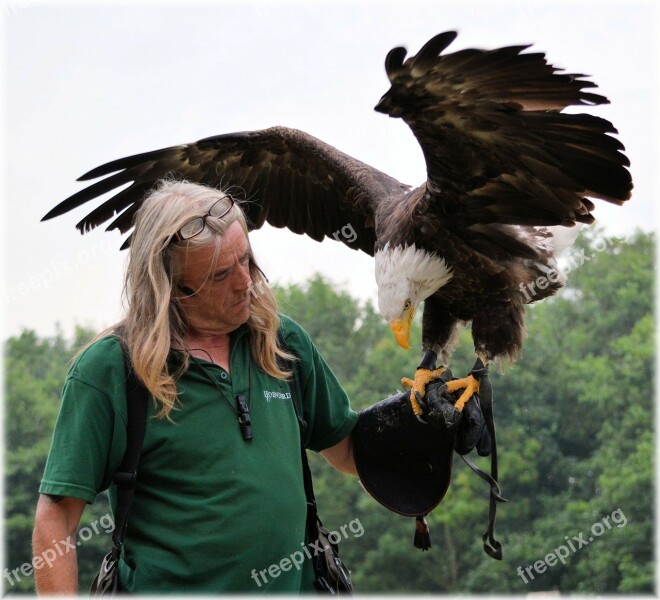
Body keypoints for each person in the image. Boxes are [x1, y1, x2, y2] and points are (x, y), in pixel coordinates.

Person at [32, 179, 359, 594]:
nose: (245, 282)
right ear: (170, 287)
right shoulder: (111, 370)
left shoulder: (282, 342)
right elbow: (56, 519)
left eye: (246, 259)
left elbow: (349, 450)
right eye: (221, 275)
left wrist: (424, 427)